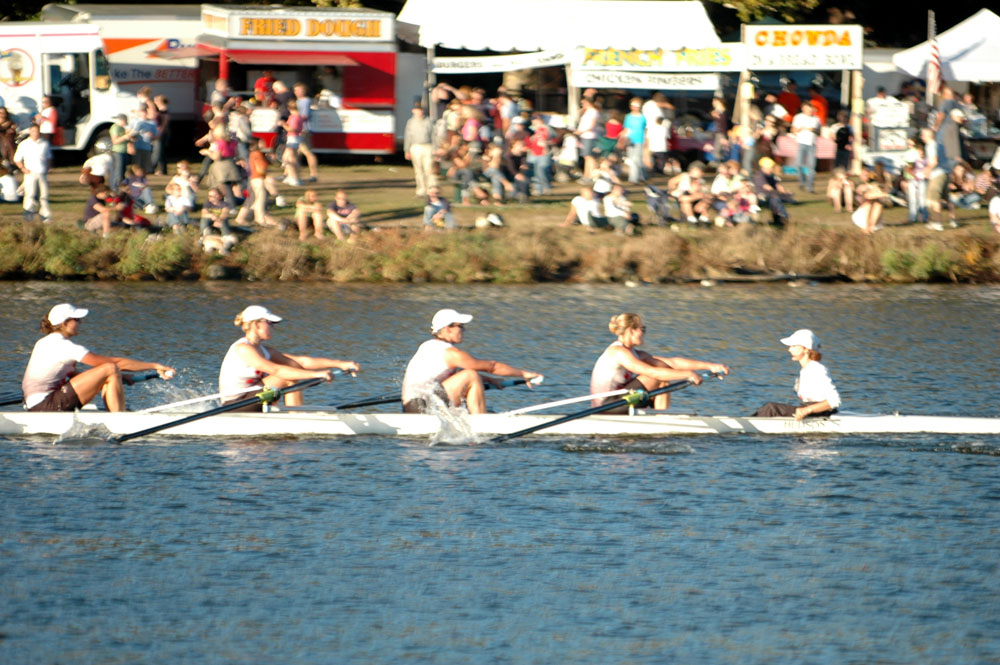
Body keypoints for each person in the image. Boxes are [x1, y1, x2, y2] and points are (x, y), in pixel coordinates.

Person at [21, 303, 175, 412]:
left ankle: (116, 413)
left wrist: (119, 377)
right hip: (46, 406)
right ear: (65, 323)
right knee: (109, 368)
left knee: (110, 373)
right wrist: (155, 365)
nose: (80, 322)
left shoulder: (43, 342)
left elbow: (73, 375)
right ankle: (119, 419)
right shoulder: (65, 346)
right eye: (77, 319)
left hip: (39, 404)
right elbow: (115, 363)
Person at [218, 305, 359, 411]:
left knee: (292, 372)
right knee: (288, 377)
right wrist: (316, 374)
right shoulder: (243, 349)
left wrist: (340, 364)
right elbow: (277, 371)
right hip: (234, 405)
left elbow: (301, 362)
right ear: (256, 324)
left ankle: (295, 414)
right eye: (270, 323)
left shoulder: (266, 351)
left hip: (252, 399)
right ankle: (297, 417)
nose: (273, 327)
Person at [400, 308, 542, 414]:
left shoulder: (427, 346)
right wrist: (523, 373)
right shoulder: (451, 353)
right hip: (423, 409)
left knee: (468, 375)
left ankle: (475, 414)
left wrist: (491, 381)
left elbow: (455, 376)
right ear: (448, 329)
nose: (464, 330)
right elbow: (491, 366)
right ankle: (480, 420)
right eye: (460, 326)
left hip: (414, 406)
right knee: (470, 376)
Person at [590, 313, 730, 413]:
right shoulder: (617, 352)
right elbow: (651, 372)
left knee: (663, 374)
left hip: (623, 401)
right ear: (631, 330)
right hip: (605, 407)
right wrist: (688, 375)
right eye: (642, 329)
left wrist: (711, 366)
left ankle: (660, 417)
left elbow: (673, 363)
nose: (644, 333)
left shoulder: (637, 354)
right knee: (657, 375)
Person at [753, 329, 840, 420]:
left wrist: (806, 410)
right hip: (810, 410)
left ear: (806, 349)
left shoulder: (817, 369)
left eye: (794, 346)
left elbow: (834, 401)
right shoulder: (806, 370)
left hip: (820, 413)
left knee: (771, 408)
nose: (789, 349)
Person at [13, 124, 51, 222]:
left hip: (42, 173)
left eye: (37, 131)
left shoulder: (44, 143)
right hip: (30, 173)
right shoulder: (24, 144)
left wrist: (48, 167)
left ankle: (45, 217)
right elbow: (17, 159)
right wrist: (23, 169)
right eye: (33, 131)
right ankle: (28, 217)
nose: (35, 133)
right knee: (29, 195)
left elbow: (49, 157)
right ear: (30, 132)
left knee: (43, 196)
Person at [404, 104, 435, 197]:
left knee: (429, 169)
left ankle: (430, 190)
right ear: (413, 111)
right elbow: (408, 136)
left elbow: (433, 135)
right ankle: (421, 190)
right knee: (418, 170)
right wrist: (407, 150)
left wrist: (435, 148)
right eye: (417, 110)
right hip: (415, 146)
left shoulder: (429, 121)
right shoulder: (411, 122)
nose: (419, 112)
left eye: (421, 110)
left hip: (428, 146)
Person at [791, 102, 820, 193]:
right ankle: (802, 181)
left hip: (812, 143)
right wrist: (801, 129)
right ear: (803, 108)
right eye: (807, 108)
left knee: (811, 166)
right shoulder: (798, 117)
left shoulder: (816, 119)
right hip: (801, 142)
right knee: (798, 164)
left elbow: (819, 132)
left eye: (810, 109)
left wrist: (813, 130)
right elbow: (793, 130)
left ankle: (810, 186)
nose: (809, 110)